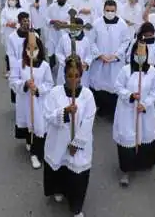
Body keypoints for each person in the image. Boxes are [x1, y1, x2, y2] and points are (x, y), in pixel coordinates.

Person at [43, 55, 96, 217]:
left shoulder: (87, 96)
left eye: (77, 76)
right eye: (69, 76)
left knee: (77, 175)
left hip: (78, 145)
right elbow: (48, 115)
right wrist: (64, 112)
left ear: (81, 76)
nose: (73, 80)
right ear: (64, 76)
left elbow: (88, 120)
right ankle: (58, 189)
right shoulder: (54, 93)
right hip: (58, 140)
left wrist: (77, 143)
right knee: (59, 166)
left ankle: (76, 206)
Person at [113, 41, 155, 186]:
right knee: (128, 138)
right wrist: (130, 95)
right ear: (132, 54)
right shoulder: (126, 70)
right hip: (128, 112)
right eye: (137, 53)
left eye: (143, 54)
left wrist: (145, 103)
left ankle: (143, 163)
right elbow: (117, 87)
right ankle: (126, 171)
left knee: (144, 136)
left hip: (144, 112)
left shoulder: (151, 72)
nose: (140, 56)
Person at [10, 34, 54, 169]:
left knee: (38, 126)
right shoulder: (19, 64)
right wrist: (24, 84)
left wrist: (38, 89)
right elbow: (12, 80)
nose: (31, 51)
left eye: (34, 49)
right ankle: (30, 145)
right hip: (24, 101)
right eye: (28, 49)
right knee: (28, 124)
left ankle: (36, 153)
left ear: (39, 49)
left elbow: (49, 83)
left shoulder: (44, 66)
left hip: (39, 102)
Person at [89, 0, 131, 119]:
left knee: (114, 86)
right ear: (103, 10)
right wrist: (99, 55)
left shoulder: (122, 24)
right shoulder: (97, 23)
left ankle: (113, 111)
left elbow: (126, 41)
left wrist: (116, 55)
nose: (110, 13)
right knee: (100, 86)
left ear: (116, 10)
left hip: (115, 62)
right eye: (107, 10)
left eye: (112, 11)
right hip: (100, 61)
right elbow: (91, 41)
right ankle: (102, 108)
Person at [55, 18, 93, 87]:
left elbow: (89, 55)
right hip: (66, 68)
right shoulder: (64, 38)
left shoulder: (85, 40)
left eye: (78, 28)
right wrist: (65, 61)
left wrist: (86, 63)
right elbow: (58, 52)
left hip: (80, 70)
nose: (75, 29)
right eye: (74, 27)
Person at [1, 0, 25, 80]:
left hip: (19, 34)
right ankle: (9, 70)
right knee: (9, 52)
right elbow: (2, 20)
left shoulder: (21, 10)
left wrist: (16, 25)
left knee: (19, 51)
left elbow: (24, 21)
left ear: (17, 1)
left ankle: (20, 70)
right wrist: (7, 24)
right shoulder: (5, 10)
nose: (11, 1)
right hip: (8, 33)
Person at [46, 0, 73, 68]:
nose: (62, 0)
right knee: (51, 49)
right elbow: (46, 18)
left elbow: (72, 20)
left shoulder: (70, 8)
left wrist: (64, 23)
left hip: (64, 32)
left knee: (64, 49)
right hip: (53, 31)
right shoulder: (51, 7)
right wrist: (53, 21)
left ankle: (65, 65)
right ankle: (51, 65)